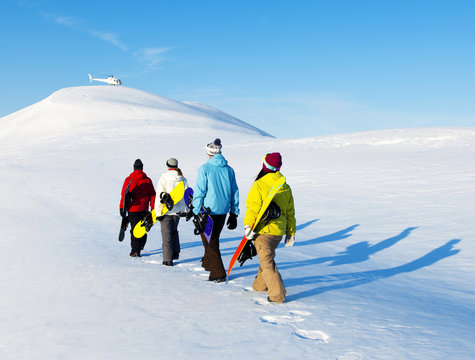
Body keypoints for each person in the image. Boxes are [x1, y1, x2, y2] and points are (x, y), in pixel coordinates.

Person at [243, 152, 296, 303]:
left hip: (263, 231)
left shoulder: (260, 184)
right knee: (266, 257)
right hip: (278, 233)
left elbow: (253, 207)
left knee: (267, 262)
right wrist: (290, 232)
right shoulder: (285, 186)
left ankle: (277, 295)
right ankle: (259, 286)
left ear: (264, 165)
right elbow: (290, 212)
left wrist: (248, 226)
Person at [192, 138, 239, 282]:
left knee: (209, 241)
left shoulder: (204, 168)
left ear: (209, 152)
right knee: (213, 238)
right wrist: (234, 213)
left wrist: (195, 209)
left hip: (208, 210)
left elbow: (200, 191)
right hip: (223, 210)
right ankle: (208, 263)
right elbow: (234, 191)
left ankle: (218, 272)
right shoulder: (229, 169)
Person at [119, 159, 156, 257]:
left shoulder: (128, 180)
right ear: (142, 168)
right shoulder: (147, 180)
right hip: (144, 209)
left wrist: (121, 208)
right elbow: (153, 195)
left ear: (134, 168)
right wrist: (153, 208)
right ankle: (141, 245)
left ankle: (135, 251)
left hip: (132, 210)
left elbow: (124, 194)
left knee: (134, 230)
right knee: (143, 228)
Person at [155, 158, 188, 266]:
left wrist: (158, 213)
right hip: (178, 212)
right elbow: (186, 195)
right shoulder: (182, 179)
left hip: (166, 212)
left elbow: (159, 195)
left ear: (167, 165)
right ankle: (175, 253)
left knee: (166, 236)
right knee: (174, 232)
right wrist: (186, 210)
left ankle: (167, 260)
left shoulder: (164, 178)